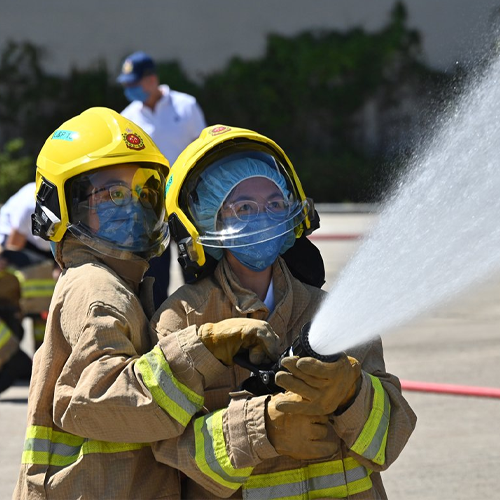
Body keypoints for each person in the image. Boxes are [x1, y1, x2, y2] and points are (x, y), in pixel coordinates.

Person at [14, 109, 278, 499]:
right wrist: (201, 349)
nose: (134, 207)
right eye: (113, 194)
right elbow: (101, 399)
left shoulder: (121, 285)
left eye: (145, 192)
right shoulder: (96, 289)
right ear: (61, 204)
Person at [150, 124, 417, 499]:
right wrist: (264, 431)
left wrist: (352, 395)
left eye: (275, 204)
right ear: (207, 220)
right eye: (244, 207)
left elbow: (390, 441)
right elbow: (168, 448)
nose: (263, 217)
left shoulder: (331, 312)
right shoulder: (182, 319)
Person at [117, 50, 207, 308]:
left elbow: (201, 149)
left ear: (151, 79)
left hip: (187, 199)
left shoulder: (185, 106)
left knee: (196, 261)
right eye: (126, 85)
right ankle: (160, 323)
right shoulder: (128, 117)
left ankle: (203, 312)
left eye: (134, 83)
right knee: (155, 272)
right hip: (150, 204)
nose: (130, 89)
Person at [0, 182, 58, 350]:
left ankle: (45, 341)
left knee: (51, 282)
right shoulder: (29, 205)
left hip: (39, 246)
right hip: (11, 244)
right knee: (40, 279)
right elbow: (14, 244)